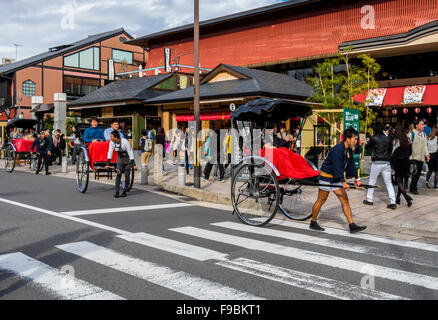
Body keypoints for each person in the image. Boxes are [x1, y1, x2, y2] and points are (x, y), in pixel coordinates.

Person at [310, 127, 366, 233]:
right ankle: (313, 222)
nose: (356, 141)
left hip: (336, 178)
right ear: (347, 139)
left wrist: (357, 178)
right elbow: (337, 167)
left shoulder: (348, 149)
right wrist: (343, 182)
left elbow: (351, 165)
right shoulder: (338, 149)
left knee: (345, 200)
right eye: (354, 139)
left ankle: (352, 225)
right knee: (321, 200)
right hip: (326, 177)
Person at [363, 123, 397, 209]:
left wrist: (367, 140)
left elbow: (366, 147)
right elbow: (390, 150)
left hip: (376, 162)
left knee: (372, 181)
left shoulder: (374, 138)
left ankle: (369, 199)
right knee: (389, 182)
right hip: (386, 162)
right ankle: (393, 201)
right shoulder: (388, 138)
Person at [105, 130, 137, 198]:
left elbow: (130, 151)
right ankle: (117, 192)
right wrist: (108, 163)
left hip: (127, 159)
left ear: (116, 137)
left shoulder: (125, 141)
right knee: (118, 174)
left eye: (111, 136)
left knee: (127, 175)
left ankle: (125, 191)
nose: (110, 138)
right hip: (119, 158)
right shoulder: (112, 142)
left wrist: (133, 164)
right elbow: (110, 152)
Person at [392, 125, 413, 207]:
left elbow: (393, 154)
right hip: (406, 161)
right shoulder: (407, 139)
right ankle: (398, 198)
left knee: (399, 181)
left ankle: (407, 198)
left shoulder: (395, 140)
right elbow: (411, 150)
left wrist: (392, 165)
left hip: (398, 162)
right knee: (402, 181)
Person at [408, 119, 430, 194]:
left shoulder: (424, 134)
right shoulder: (411, 134)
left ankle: (412, 187)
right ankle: (413, 188)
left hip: (421, 158)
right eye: (422, 124)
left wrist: (427, 154)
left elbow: (425, 146)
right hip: (413, 157)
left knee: (418, 174)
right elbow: (407, 145)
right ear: (416, 125)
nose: (423, 126)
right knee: (414, 173)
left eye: (423, 124)